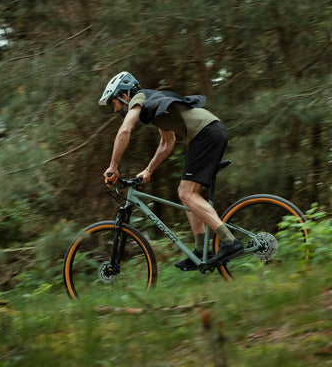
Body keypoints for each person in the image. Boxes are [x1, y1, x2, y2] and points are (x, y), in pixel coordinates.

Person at [99, 71, 242, 269]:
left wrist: (113, 167)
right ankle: (201, 252)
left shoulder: (139, 99)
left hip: (206, 134)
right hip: (208, 132)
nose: (115, 110)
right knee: (188, 195)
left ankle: (230, 242)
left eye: (114, 104)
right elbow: (168, 141)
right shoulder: (154, 105)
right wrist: (149, 170)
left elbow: (125, 130)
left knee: (186, 193)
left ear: (124, 96)